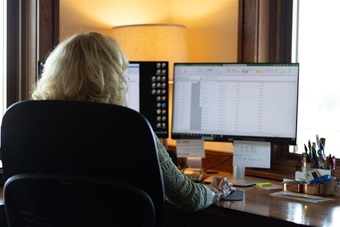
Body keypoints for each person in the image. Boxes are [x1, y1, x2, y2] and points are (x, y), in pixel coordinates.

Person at [31, 32, 235, 211]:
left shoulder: (32, 125)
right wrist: (215, 191)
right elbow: (190, 198)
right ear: (111, 78)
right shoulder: (131, 128)